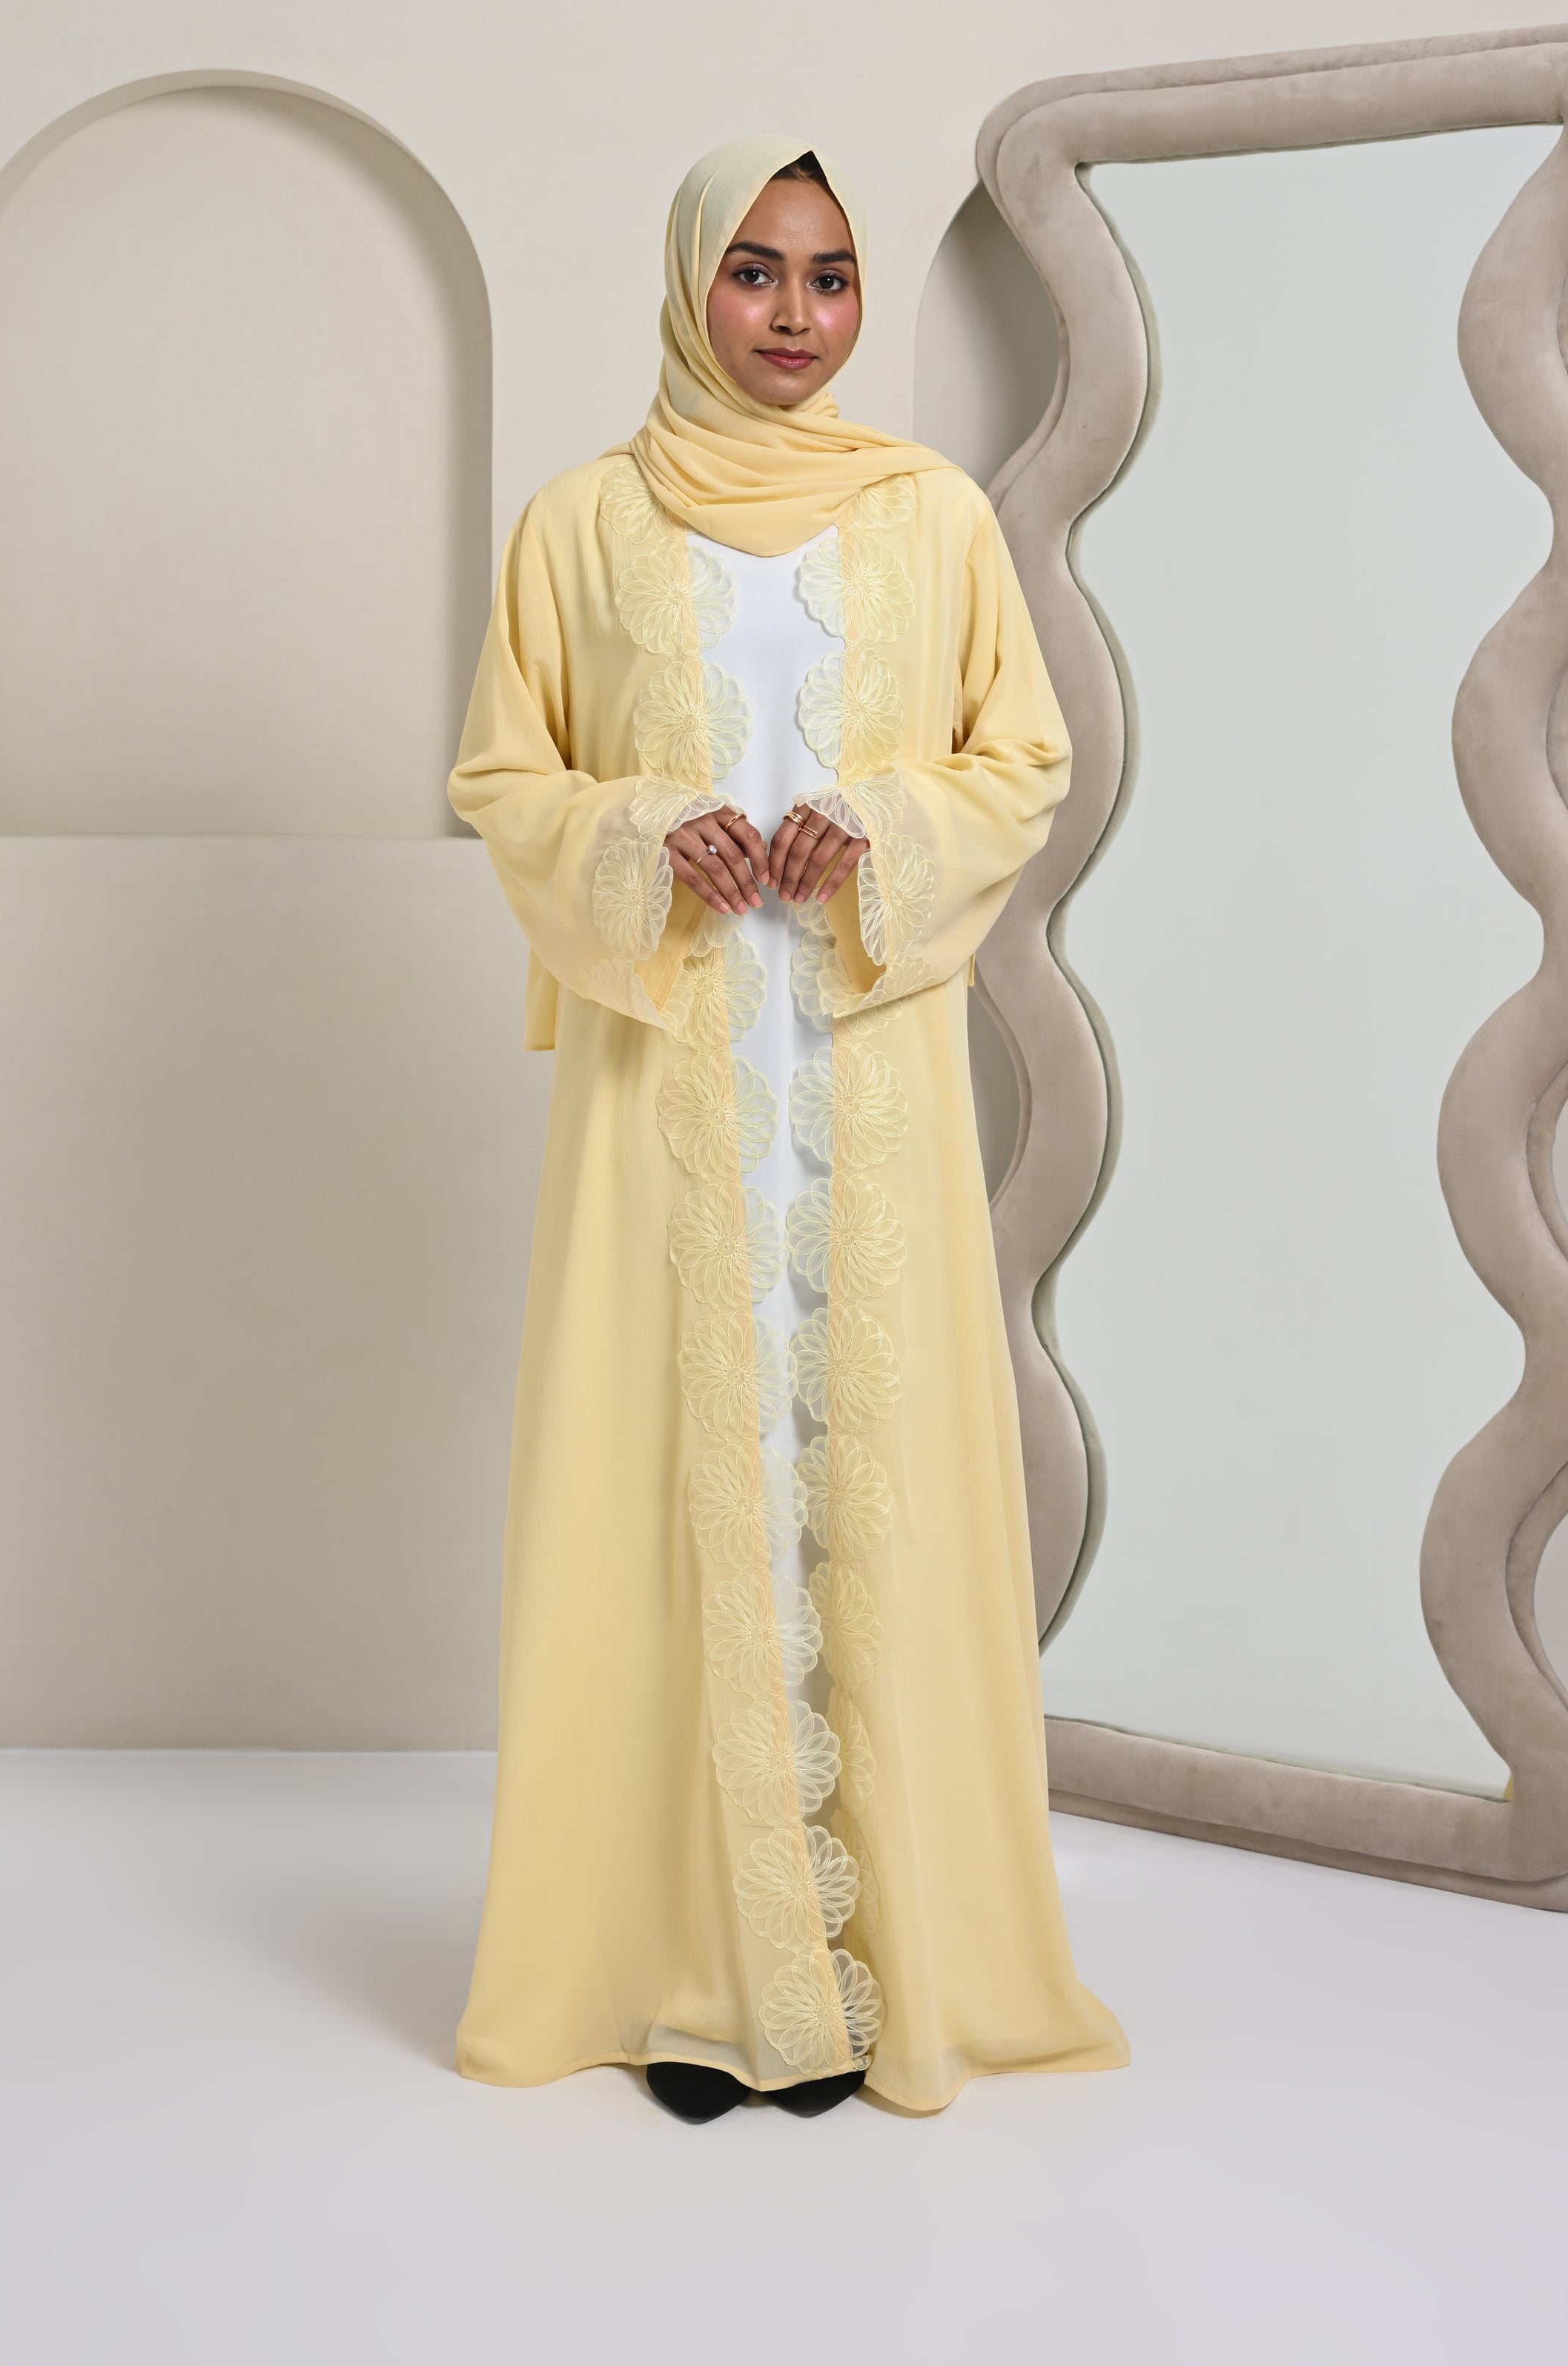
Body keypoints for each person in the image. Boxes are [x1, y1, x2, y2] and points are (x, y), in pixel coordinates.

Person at [446, 135, 1128, 2119]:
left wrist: (884, 827)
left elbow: (1026, 755)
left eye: (829, 277)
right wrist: (644, 834)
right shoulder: (582, 522)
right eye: (754, 271)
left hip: (864, 1077)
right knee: (670, 1484)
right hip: (666, 1070)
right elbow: (504, 774)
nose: (795, 316)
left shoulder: (932, 517)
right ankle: (692, 1980)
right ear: (691, 285)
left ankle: (877, 1964)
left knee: (866, 1470)